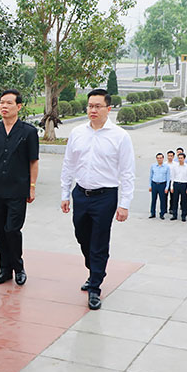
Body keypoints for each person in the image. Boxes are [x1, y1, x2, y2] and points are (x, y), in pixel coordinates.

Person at [60, 90, 135, 310]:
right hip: (81, 193)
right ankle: (94, 269)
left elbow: (128, 172)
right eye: (90, 106)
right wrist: (65, 193)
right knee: (82, 236)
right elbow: (68, 164)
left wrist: (125, 204)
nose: (92, 110)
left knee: (99, 241)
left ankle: (95, 287)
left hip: (105, 197)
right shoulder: (76, 133)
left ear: (108, 109)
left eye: (97, 106)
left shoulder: (120, 136)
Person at [0, 89, 39, 285]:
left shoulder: (29, 132)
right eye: (1, 103)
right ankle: (4, 269)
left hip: (18, 190)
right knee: (0, 230)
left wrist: (32, 187)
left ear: (19, 106)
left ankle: (18, 267)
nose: (4, 106)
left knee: (12, 229)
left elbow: (33, 162)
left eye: (9, 103)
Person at [169, 152, 187, 221]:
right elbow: (173, 176)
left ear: (184, 159)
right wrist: (172, 186)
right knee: (175, 200)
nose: (180, 159)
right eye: (179, 158)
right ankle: (174, 215)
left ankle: (183, 215)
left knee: (184, 201)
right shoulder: (175, 166)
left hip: (184, 184)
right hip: (176, 183)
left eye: (181, 158)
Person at [149, 152, 170, 219]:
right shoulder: (153, 166)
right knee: (153, 199)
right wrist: (150, 186)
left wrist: (167, 187)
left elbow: (168, 178)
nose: (159, 159)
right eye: (158, 158)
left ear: (163, 158)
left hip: (162, 184)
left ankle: (162, 213)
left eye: (161, 158)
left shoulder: (166, 167)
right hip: (154, 184)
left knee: (162, 200)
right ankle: (152, 213)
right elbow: (151, 176)